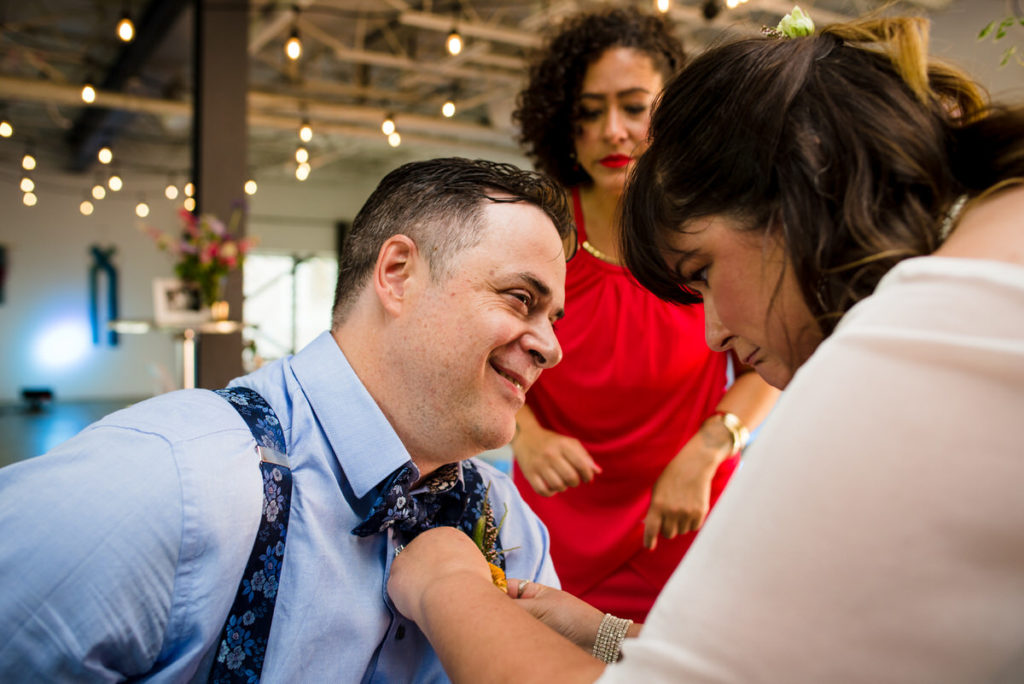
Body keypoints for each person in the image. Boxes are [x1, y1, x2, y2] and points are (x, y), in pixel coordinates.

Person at [385, 13, 1024, 683]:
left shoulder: (900, 351)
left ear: (791, 206)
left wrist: (445, 587)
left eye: (704, 274)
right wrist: (598, 630)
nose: (715, 333)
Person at [0, 157, 575, 682]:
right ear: (398, 272)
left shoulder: (512, 528)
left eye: (554, 317)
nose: (552, 347)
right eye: (521, 298)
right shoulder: (176, 480)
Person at [509, 6, 779, 622]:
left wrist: (711, 446)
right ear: (563, 125)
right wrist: (525, 435)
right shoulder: (530, 235)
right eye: (589, 111)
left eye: (634, 107)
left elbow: (770, 360)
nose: (612, 131)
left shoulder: (714, 229)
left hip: (687, 514)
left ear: (671, 113)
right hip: (556, 532)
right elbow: (477, 353)